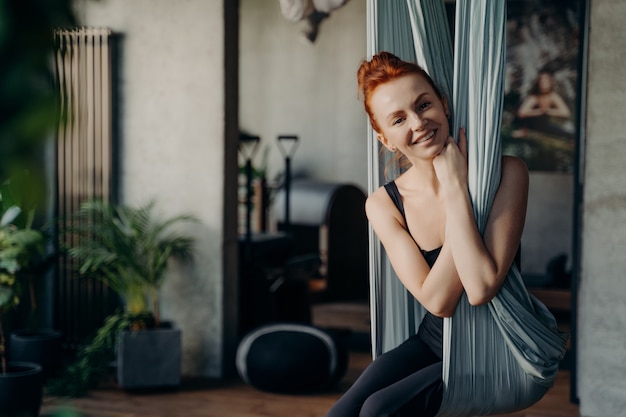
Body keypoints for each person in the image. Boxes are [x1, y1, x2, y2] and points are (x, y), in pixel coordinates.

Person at [326, 51, 529, 417]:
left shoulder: (507, 174)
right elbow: (436, 302)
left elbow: (481, 287)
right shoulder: (384, 204)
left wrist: (456, 189)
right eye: (399, 118)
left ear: (444, 105)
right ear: (385, 138)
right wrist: (456, 189)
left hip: (498, 347)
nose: (418, 122)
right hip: (434, 341)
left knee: (379, 411)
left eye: (424, 105)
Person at [513, 69, 573, 139]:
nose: (543, 83)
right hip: (530, 125)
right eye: (541, 81)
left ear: (550, 82)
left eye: (546, 81)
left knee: (568, 135)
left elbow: (566, 113)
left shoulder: (553, 96)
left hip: (544, 125)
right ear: (538, 82)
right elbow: (521, 113)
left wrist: (547, 111)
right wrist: (539, 111)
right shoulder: (534, 97)